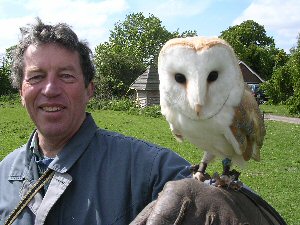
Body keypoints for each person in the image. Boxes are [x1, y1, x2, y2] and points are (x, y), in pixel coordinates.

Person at [0, 18, 287, 225]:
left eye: (66, 75)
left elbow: (258, 213)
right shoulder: (5, 172)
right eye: (36, 77)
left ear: (90, 89)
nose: (50, 89)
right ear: (21, 89)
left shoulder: (147, 168)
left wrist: (231, 205)